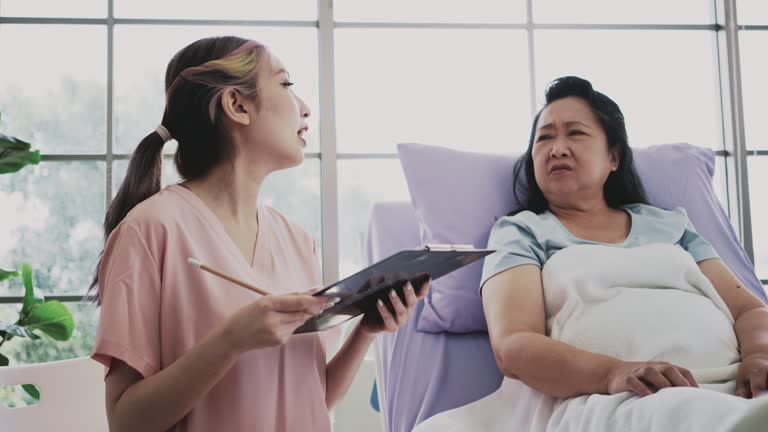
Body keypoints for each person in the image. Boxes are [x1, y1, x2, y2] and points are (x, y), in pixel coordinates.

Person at [88, 36, 430, 432]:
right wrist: (230, 339)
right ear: (237, 105)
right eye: (286, 85)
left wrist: (365, 332)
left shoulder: (297, 241)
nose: (304, 108)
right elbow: (126, 421)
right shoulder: (150, 231)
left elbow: (312, 401)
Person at [475, 76, 768, 431]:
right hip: (624, 398)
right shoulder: (521, 232)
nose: (557, 148)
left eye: (576, 133)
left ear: (613, 156)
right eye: (545, 137)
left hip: (739, 386)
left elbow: (748, 309)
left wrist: (758, 357)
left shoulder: (671, 225)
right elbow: (513, 344)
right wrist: (615, 373)